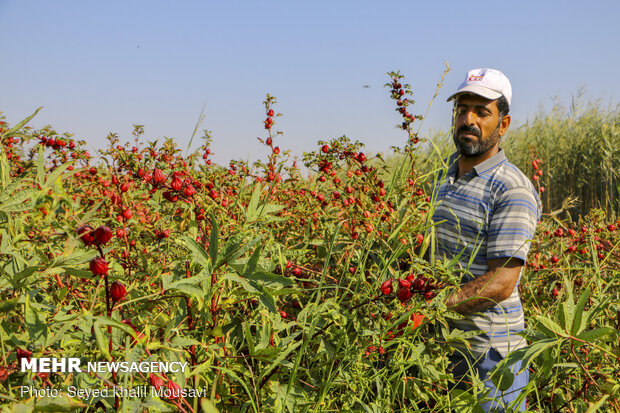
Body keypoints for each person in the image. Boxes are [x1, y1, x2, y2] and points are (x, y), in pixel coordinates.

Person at [431, 68, 541, 412]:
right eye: (463, 109)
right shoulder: (442, 176)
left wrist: (432, 308)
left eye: (482, 112)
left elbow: (502, 282)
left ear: (503, 124)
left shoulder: (511, 189)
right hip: (443, 349)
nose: (469, 119)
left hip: (490, 358)